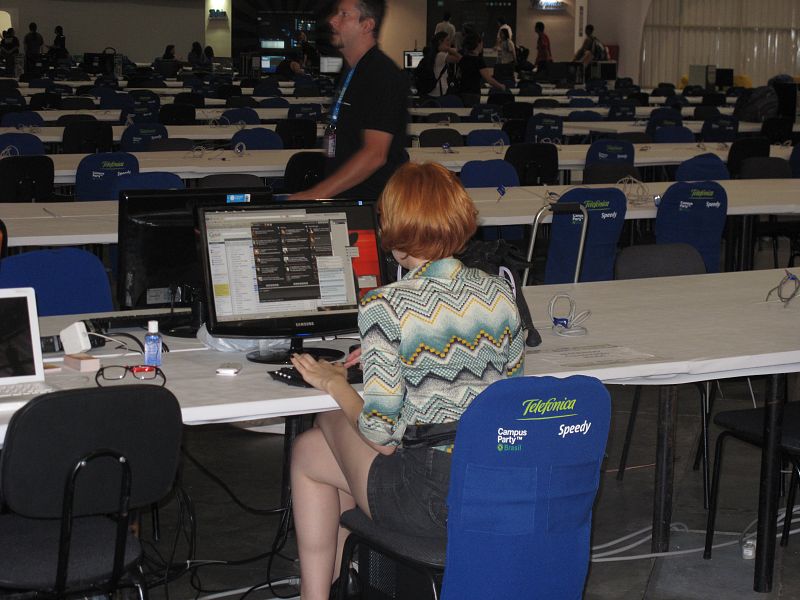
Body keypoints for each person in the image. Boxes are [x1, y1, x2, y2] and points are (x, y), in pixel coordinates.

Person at [289, 161, 525, 600]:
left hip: (431, 501)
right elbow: (509, 398)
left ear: (391, 225)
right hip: (495, 487)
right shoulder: (499, 293)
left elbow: (381, 437)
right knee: (313, 450)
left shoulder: (385, 304)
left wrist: (334, 384)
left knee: (319, 431)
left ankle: (316, 595)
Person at [287, 0, 408, 201]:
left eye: (343, 15)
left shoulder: (383, 75)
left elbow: (374, 155)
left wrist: (316, 194)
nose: (332, 20)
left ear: (367, 25)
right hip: (346, 198)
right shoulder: (351, 71)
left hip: (372, 208)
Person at [457, 31, 507, 99]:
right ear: (478, 44)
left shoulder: (463, 58)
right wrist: (501, 86)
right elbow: (488, 79)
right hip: (473, 93)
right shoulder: (479, 60)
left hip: (462, 92)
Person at [427, 31, 460, 97]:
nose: (449, 42)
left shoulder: (434, 54)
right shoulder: (441, 55)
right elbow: (460, 59)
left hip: (434, 89)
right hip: (440, 89)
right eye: (447, 40)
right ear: (440, 42)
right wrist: (449, 49)